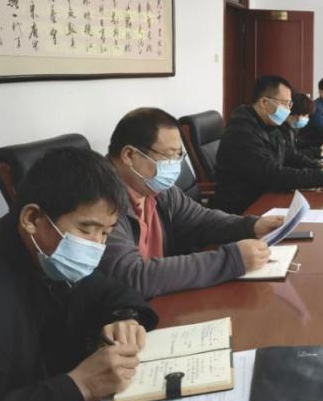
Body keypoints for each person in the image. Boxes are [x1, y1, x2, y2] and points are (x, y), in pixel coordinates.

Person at [0, 147, 157, 401]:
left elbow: (112, 291)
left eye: (105, 233)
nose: (96, 246)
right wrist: (78, 387)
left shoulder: (49, 255)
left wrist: (126, 318)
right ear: (32, 218)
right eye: (86, 230)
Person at [100, 107, 288, 299]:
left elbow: (200, 219)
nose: (175, 165)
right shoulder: (100, 202)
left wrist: (251, 225)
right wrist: (230, 260)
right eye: (168, 156)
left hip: (163, 297)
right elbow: (133, 276)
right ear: (129, 155)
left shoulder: (155, 189)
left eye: (178, 155)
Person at [213, 75, 323, 214]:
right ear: (264, 102)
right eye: (285, 104)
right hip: (242, 210)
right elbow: (273, 174)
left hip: (267, 198)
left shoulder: (269, 125)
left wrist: (322, 169)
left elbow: (291, 155)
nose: (288, 110)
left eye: (290, 104)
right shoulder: (242, 132)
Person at [284, 93, 323, 160]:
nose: (307, 118)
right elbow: (292, 155)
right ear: (296, 113)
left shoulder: (291, 130)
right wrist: (321, 150)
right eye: (306, 115)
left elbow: (301, 144)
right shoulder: (282, 131)